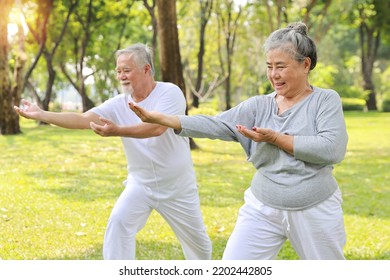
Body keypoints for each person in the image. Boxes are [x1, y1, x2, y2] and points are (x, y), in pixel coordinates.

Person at [129, 22, 348, 260]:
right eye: (269, 66)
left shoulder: (324, 100)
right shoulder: (259, 105)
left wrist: (275, 138)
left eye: (281, 67)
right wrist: (167, 119)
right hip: (262, 207)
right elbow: (218, 124)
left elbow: (331, 149)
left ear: (305, 65)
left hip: (314, 208)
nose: (273, 74)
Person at [14, 43, 212, 260]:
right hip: (141, 185)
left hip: (177, 187)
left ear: (146, 69)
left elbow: (157, 127)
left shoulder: (170, 93)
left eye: (126, 70)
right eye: (118, 71)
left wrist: (118, 130)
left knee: (199, 249)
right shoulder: (119, 103)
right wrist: (41, 114)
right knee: (118, 224)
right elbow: (82, 119)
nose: (121, 76)